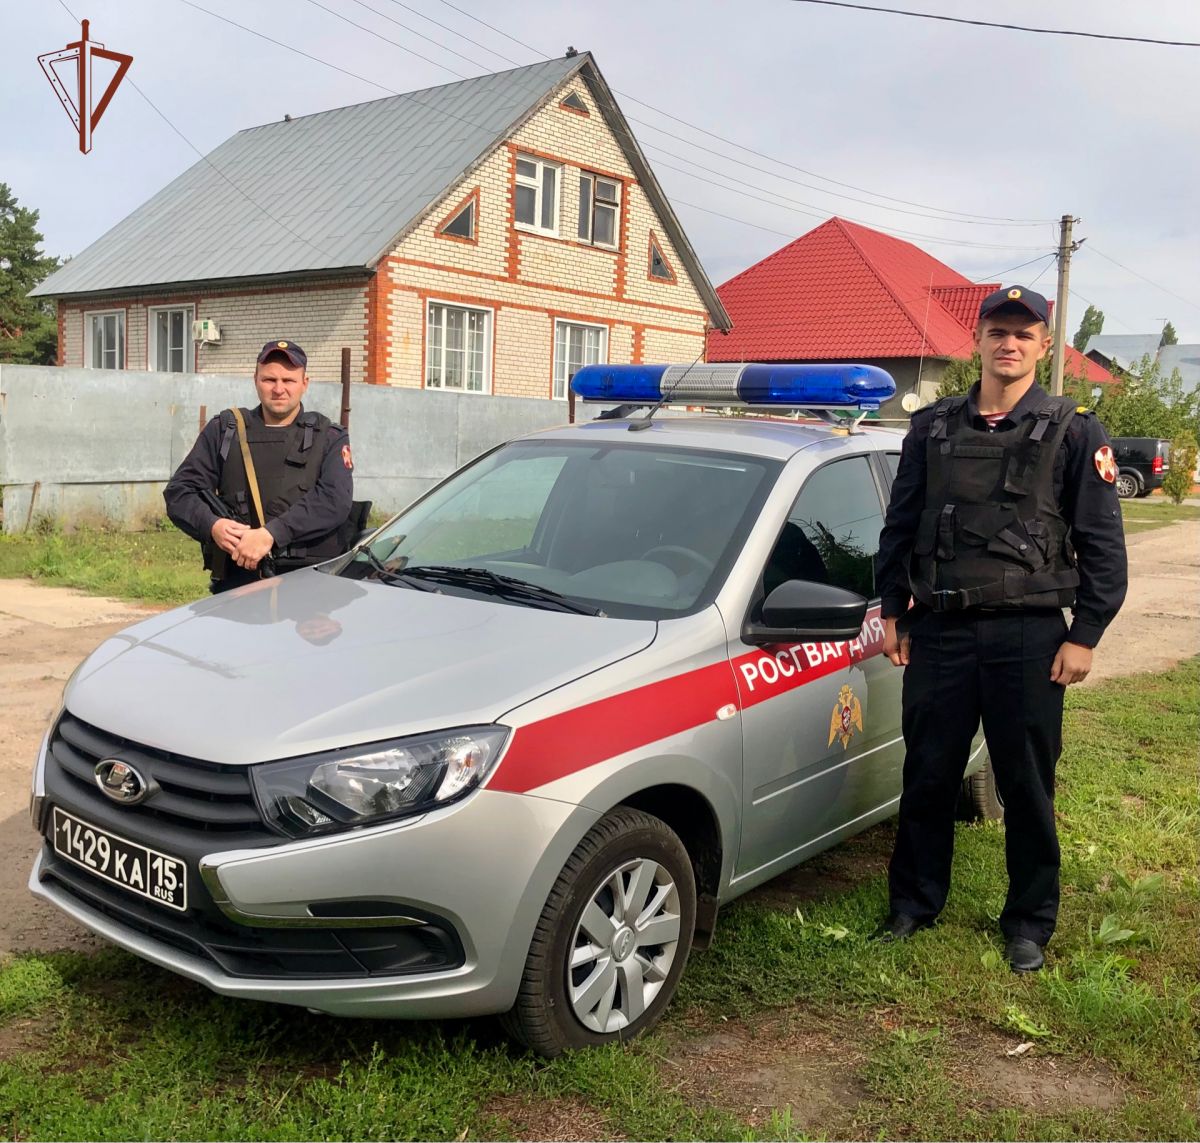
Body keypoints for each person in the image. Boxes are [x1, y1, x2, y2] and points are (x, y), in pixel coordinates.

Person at [873, 285, 1128, 973]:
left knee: (1026, 783)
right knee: (928, 773)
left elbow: (1103, 544)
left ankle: (1029, 922)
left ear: (1045, 346)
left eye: (1023, 333)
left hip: (1030, 634)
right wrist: (892, 607)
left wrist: (1087, 633)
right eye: (997, 331)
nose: (1009, 343)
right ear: (978, 341)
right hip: (942, 631)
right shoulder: (931, 429)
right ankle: (913, 904)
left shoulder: (1075, 431)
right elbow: (900, 525)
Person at [164, 339, 356, 593]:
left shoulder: (329, 436)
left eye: (288, 381)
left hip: (309, 587)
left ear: (304, 384)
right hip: (238, 583)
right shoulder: (224, 430)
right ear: (255, 380)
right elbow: (180, 492)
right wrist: (213, 526)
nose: (279, 389)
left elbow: (334, 500)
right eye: (269, 380)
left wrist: (270, 534)